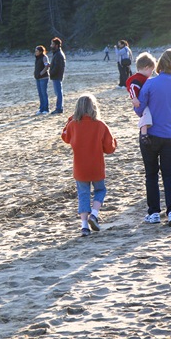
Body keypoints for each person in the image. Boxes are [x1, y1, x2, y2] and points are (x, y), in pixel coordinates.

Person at [135, 49, 171, 226]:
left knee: (151, 175)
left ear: (160, 64)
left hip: (151, 135)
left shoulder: (150, 84)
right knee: (169, 174)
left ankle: (154, 212)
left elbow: (139, 110)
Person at [62, 94, 117, 237]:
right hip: (96, 165)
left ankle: (84, 226)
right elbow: (109, 149)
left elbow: (65, 137)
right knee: (100, 190)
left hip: (80, 167)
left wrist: (69, 119)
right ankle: (94, 214)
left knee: (83, 194)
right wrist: (114, 142)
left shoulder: (73, 125)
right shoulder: (100, 125)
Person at [126, 52, 156, 146]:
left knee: (147, 115)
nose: (151, 74)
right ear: (146, 68)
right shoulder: (138, 78)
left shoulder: (142, 78)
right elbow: (132, 87)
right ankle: (144, 134)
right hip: (140, 102)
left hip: (142, 101)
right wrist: (134, 98)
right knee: (146, 115)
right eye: (151, 71)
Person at [49, 37, 66, 114]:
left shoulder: (58, 54)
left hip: (57, 76)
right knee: (58, 92)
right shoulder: (57, 53)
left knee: (58, 93)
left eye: (52, 44)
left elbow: (57, 67)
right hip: (57, 76)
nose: (51, 45)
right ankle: (59, 108)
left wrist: (51, 72)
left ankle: (59, 108)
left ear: (56, 45)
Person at [33, 45, 50, 115]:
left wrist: (41, 73)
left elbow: (47, 66)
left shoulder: (44, 57)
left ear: (40, 51)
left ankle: (46, 109)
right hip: (38, 78)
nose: (35, 52)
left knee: (43, 93)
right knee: (40, 94)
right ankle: (41, 108)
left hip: (43, 78)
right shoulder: (37, 58)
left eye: (36, 51)